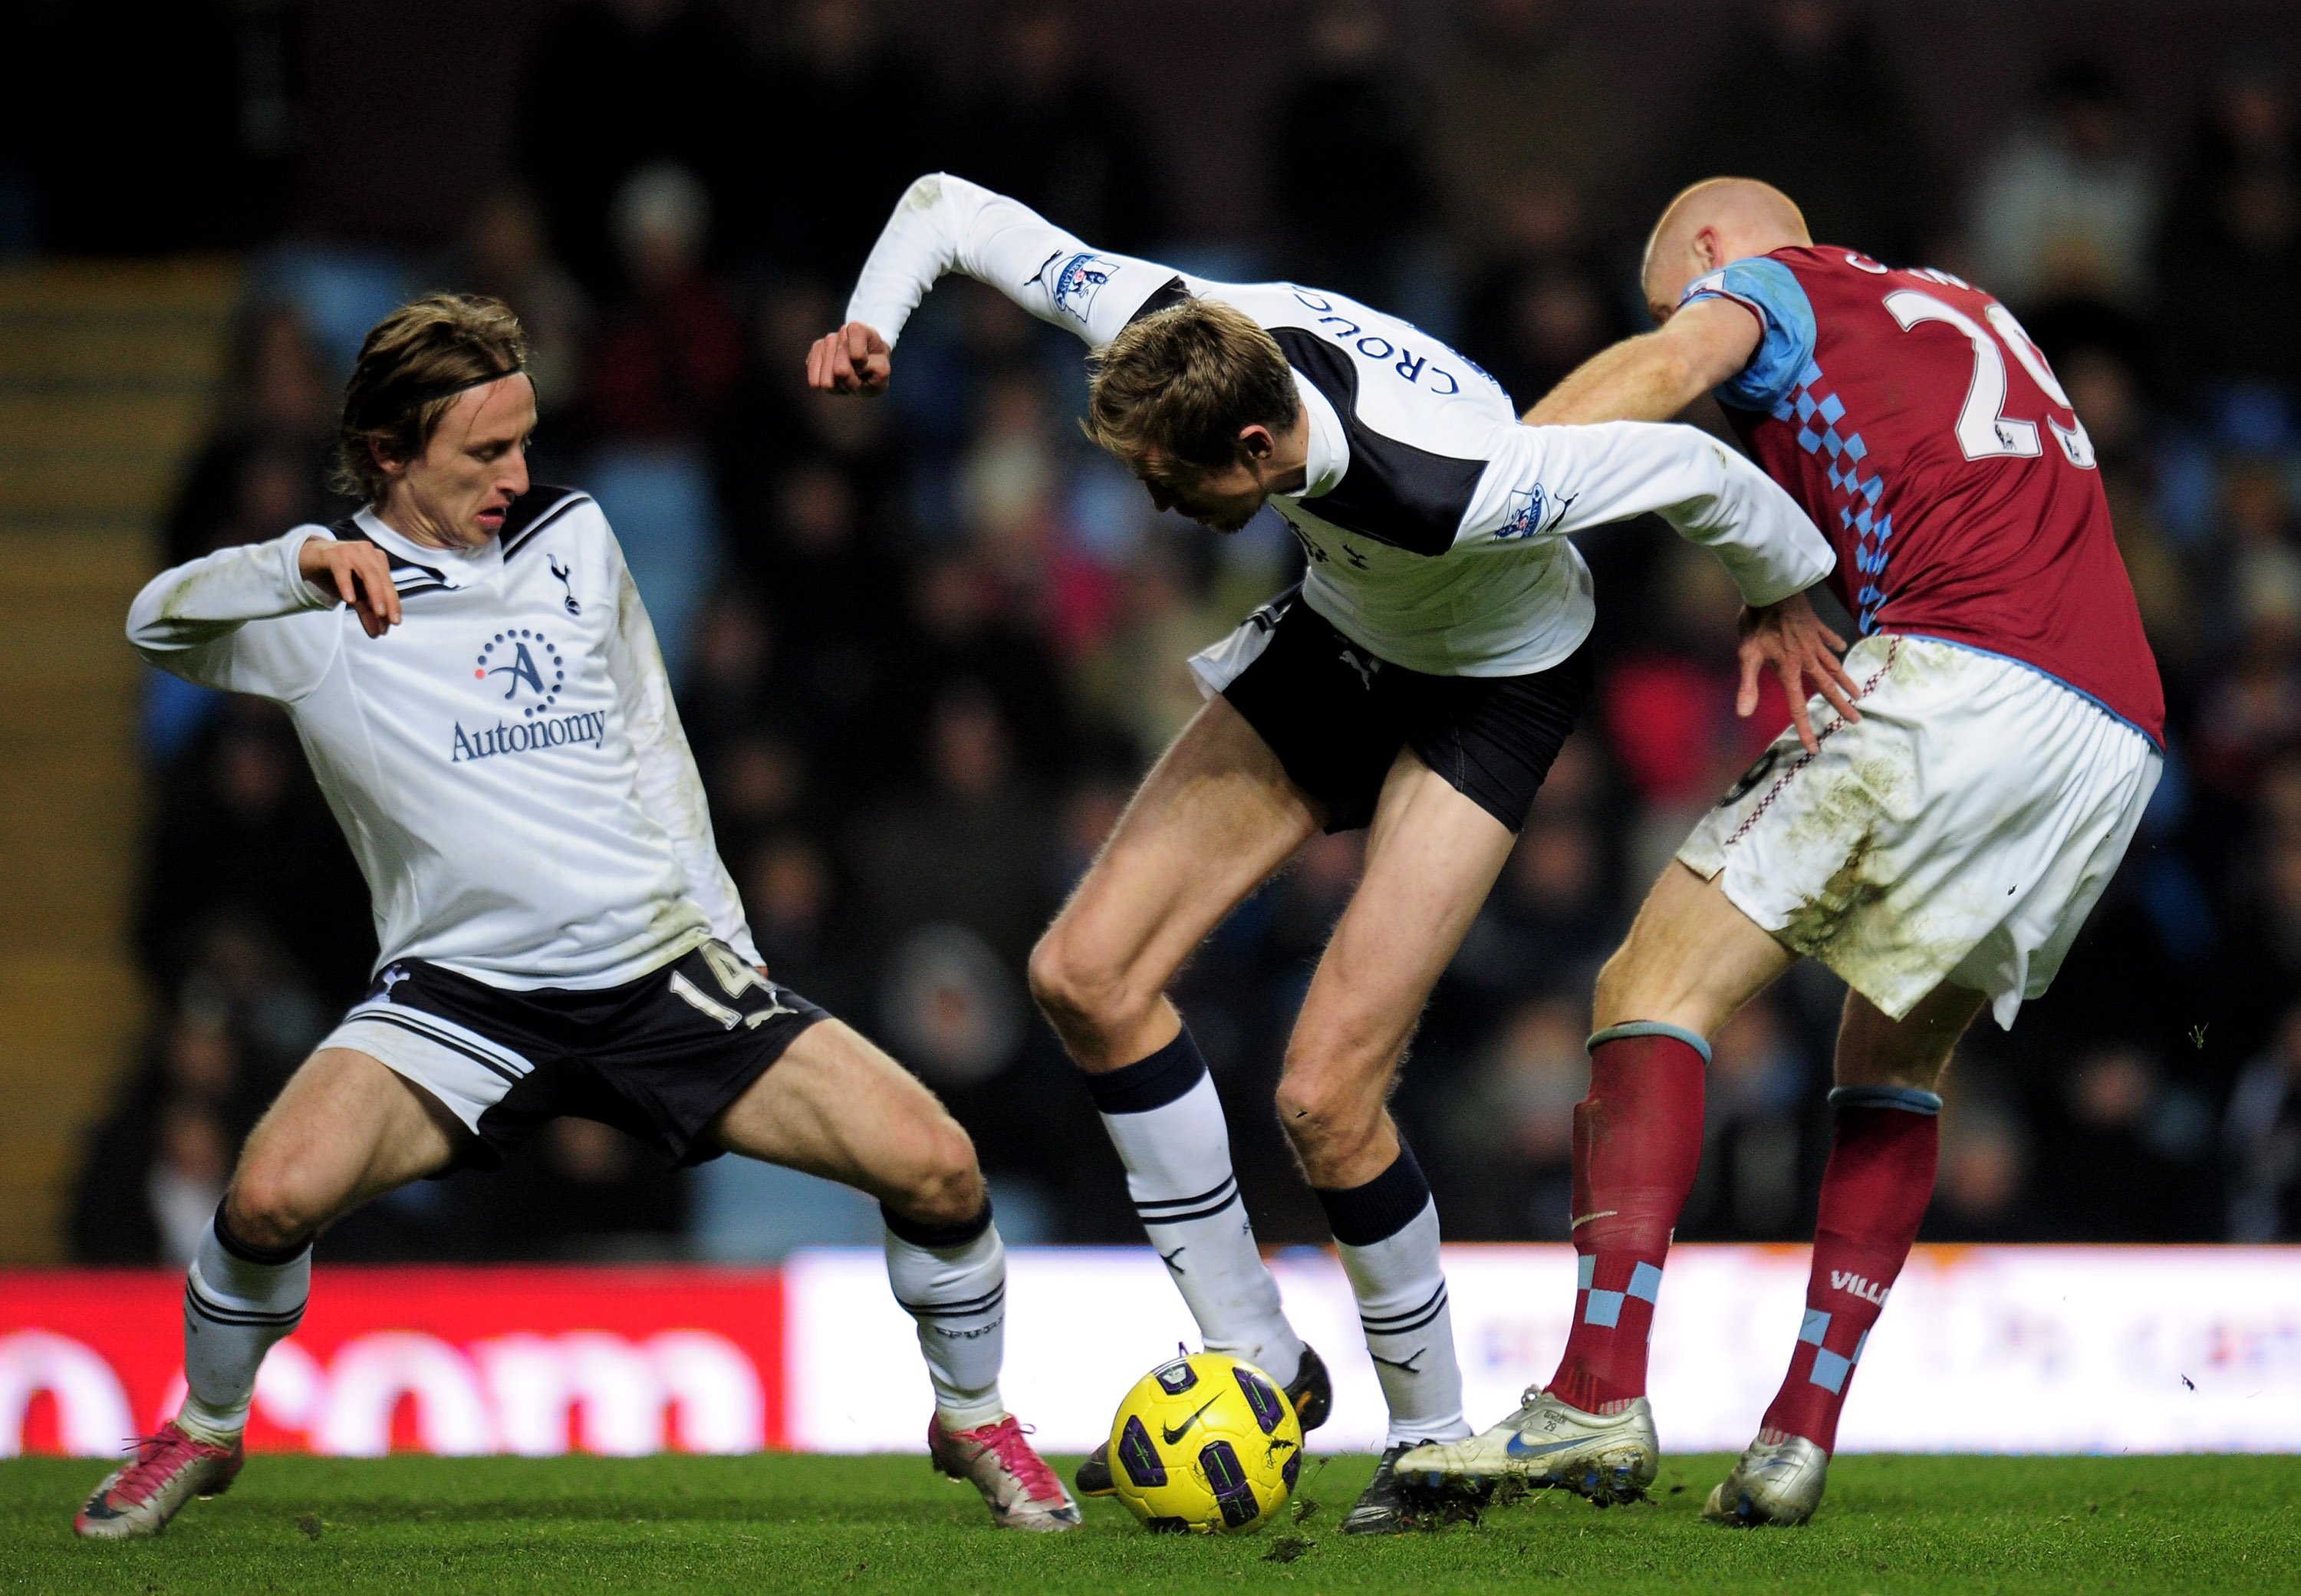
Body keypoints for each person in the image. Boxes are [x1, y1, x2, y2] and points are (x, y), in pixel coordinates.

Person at [808, 174, 1840, 1531]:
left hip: (1493, 687)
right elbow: (948, 208)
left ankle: (1432, 1440)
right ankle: (1262, 1358)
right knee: (1085, 975)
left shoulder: (1460, 488)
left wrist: (1783, 590)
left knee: (1324, 1093)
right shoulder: (1173, 326)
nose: (1158, 504)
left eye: (1174, 483)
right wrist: (870, 321)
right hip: (1344, 635)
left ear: (1252, 444)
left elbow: (1701, 467)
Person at [76, 295, 1078, 1539]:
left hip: (660, 972)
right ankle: (208, 1430)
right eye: (483, 453)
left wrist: (721, 927)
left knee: (938, 1163)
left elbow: (651, 740)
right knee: (269, 1201)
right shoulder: (320, 604)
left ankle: (973, 1416)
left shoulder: (574, 533)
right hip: (459, 1000)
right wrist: (290, 560)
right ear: (389, 453)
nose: (518, 473)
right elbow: (152, 621)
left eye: (524, 441)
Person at [1398, 178, 2164, 1525]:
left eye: (1678, 291)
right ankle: (1799, 1433)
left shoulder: (1766, 287)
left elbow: (1667, 368)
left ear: (1708, 252)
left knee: (1648, 988)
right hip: (2110, 734)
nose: (1696, 335)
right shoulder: (1957, 305)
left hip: (1959, 674)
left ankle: (1593, 1393)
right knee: (1896, 1060)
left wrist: (1485, 481)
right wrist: (1790, 587)